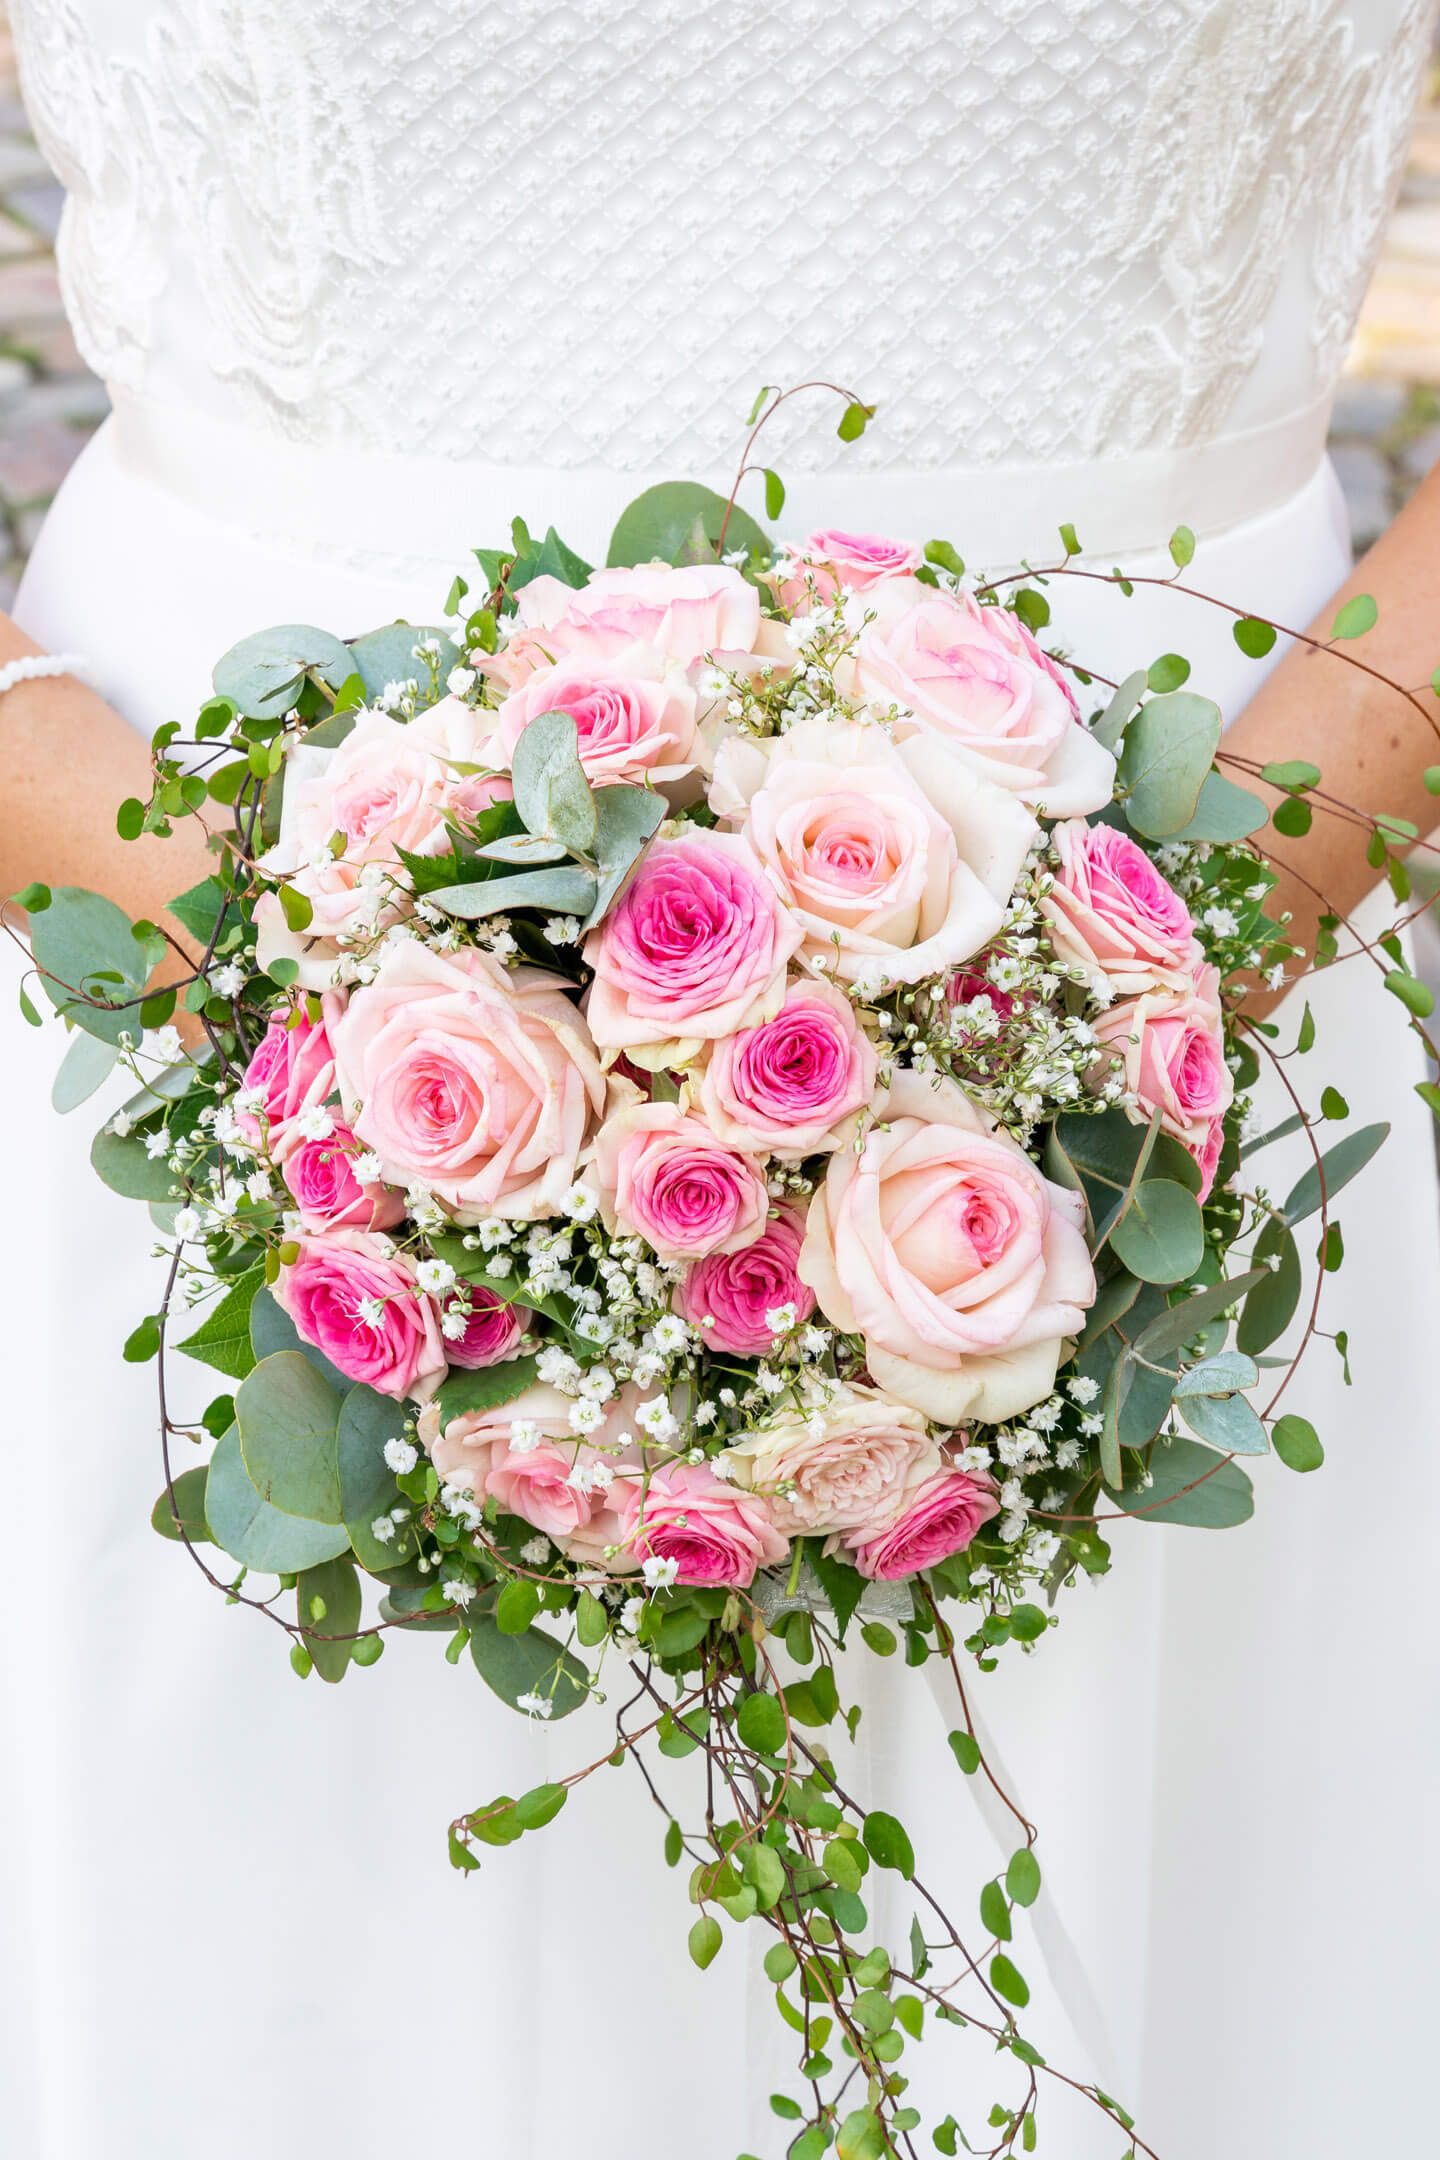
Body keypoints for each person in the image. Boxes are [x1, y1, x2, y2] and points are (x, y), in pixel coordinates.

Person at [3, 4, 1437, 2155]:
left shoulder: (1194, 956)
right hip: (202, 935)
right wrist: (208, 927)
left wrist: (1220, 913)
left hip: (1193, 966)